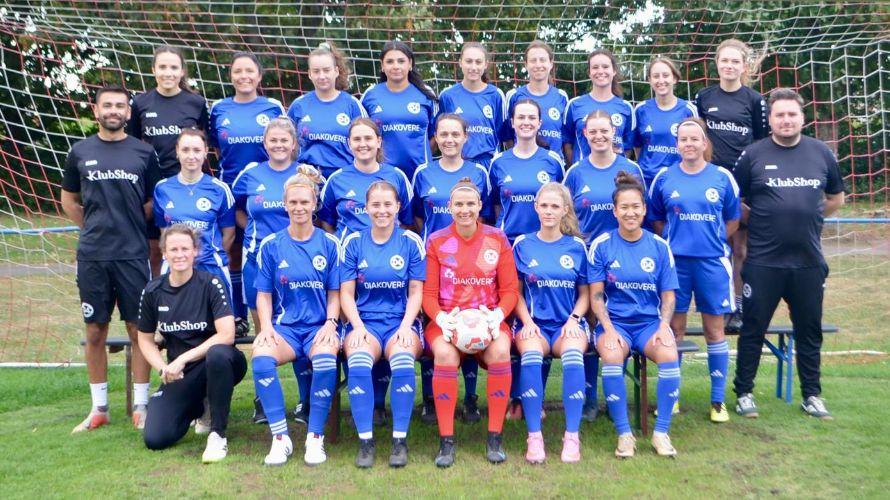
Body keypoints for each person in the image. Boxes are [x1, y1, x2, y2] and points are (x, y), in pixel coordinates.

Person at [731, 88, 845, 420]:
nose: (786, 120)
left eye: (791, 114)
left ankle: (812, 395)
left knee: (809, 331)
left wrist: (811, 215)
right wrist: (761, 219)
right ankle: (744, 393)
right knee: (753, 329)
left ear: (802, 118)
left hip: (808, 262)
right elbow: (734, 200)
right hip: (763, 263)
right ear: (769, 119)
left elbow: (836, 198)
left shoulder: (820, 153)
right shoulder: (753, 155)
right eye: (779, 114)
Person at [61, 84, 161, 432]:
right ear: (97, 110)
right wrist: (93, 226)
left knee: (138, 329)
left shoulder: (143, 152)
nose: (114, 111)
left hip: (133, 254)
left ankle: (141, 407)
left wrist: (128, 221)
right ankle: (99, 408)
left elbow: (153, 201)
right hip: (93, 256)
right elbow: (69, 200)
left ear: (129, 112)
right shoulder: (79, 151)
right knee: (94, 329)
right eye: (108, 105)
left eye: (120, 105)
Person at [648, 118, 740, 422]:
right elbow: (657, 220)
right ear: (677, 145)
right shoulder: (664, 178)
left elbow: (733, 219)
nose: (688, 144)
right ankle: (671, 397)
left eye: (694, 139)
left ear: (704, 143)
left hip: (712, 264)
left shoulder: (722, 177)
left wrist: (712, 241)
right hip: (676, 266)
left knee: (714, 330)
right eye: (683, 139)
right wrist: (675, 242)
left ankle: (717, 401)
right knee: (674, 330)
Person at [423, 178, 518, 467]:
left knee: (500, 351)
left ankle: (495, 437)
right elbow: (428, 294)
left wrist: (497, 316)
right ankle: (446, 441)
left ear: (479, 206)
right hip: (448, 321)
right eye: (459, 204)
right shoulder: (437, 240)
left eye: (470, 204)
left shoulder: (497, 239)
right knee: (444, 355)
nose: (464, 210)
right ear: (449, 207)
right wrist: (442, 319)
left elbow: (510, 291)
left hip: (488, 320)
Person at [250, 166, 342, 466]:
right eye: (293, 202)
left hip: (319, 326)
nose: (299, 207)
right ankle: (280, 438)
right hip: (286, 329)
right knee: (261, 357)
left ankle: (315, 437)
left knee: (326, 359)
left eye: (305, 202)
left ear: (314, 204)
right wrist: (266, 327)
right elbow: (263, 294)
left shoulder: (329, 244)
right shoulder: (271, 245)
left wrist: (331, 323)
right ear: (285, 203)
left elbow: (335, 292)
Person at [588, 172, 681, 458]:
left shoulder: (660, 246)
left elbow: (669, 296)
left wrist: (664, 326)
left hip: (649, 324)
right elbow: (596, 296)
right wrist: (608, 329)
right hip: (614, 323)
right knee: (612, 355)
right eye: (624, 207)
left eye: (636, 207)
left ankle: (661, 433)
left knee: (669, 353)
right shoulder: (602, 244)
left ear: (644, 209)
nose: (630, 213)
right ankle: (624, 434)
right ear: (615, 211)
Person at [137, 224, 247, 463]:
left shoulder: (211, 283)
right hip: (181, 373)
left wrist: (182, 358)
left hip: (220, 363)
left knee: (218, 353)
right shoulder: (153, 290)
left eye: (185, 249)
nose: (180, 255)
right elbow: (144, 339)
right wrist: (162, 368)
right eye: (173, 249)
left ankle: (217, 434)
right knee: (156, 438)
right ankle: (197, 406)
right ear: (164, 253)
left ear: (195, 251)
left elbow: (227, 335)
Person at [340, 181, 426, 468]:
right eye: (375, 205)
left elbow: (416, 291)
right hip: (365, 322)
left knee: (402, 360)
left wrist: (406, 326)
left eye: (388, 204)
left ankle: (399, 440)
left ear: (398, 206)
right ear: (366, 208)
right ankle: (366, 441)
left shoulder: (411, 241)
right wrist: (358, 327)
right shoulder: (353, 242)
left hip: (399, 322)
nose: (382, 210)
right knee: (359, 362)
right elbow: (346, 294)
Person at [411, 113, 491, 424]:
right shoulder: (423, 173)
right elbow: (418, 217)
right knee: (433, 322)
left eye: (455, 134)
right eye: (443, 134)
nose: (449, 139)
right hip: (435, 260)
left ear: (465, 137)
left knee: (471, 321)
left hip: (471, 261)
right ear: (435, 137)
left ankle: (470, 397)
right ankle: (431, 399)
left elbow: (487, 213)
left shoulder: (479, 172)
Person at [230, 117, 305, 424]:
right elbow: (235, 208)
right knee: (264, 331)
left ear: (293, 144)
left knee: (301, 325)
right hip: (258, 262)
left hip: (298, 263)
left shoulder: (304, 174)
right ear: (264, 143)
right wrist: (252, 229)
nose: (278, 145)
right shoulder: (251, 174)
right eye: (273, 140)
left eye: (284, 140)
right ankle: (263, 401)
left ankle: (305, 400)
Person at [694, 39, 769, 332]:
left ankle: (739, 307)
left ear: (744, 66)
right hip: (712, 184)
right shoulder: (704, 97)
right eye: (724, 60)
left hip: (744, 185)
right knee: (717, 248)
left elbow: (762, 144)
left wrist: (754, 186)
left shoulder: (755, 100)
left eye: (735, 61)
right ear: (716, 63)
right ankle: (719, 306)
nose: (729, 66)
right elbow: (698, 138)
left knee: (740, 249)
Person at [512, 182, 590, 463]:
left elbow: (586, 294)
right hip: (534, 323)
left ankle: (572, 436)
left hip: (566, 324)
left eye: (555, 206)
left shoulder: (577, 247)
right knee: (531, 355)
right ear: (536, 207)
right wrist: (526, 321)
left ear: (565, 210)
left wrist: (574, 319)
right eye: (544, 205)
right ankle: (534, 436)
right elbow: (515, 293)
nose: (548, 211)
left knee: (573, 355)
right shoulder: (522, 244)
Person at [209, 51, 285, 331]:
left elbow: (284, 140)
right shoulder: (219, 108)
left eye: (249, 71)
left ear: (259, 75)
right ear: (230, 76)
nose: (244, 76)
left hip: (267, 190)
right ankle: (237, 315)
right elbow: (217, 149)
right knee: (233, 250)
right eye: (238, 71)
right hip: (233, 190)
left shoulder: (272, 107)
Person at [128, 45, 210, 276]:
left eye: (173, 67)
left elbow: (205, 143)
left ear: (182, 71)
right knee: (157, 249)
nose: (168, 73)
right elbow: (132, 145)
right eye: (162, 67)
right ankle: (158, 292)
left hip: (187, 185)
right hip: (153, 187)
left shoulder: (196, 103)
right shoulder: (140, 103)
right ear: (153, 69)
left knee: (190, 246)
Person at [153, 129, 235, 298]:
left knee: (218, 315)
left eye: (197, 150)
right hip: (175, 268)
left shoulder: (220, 189)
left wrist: (204, 256)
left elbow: (229, 234)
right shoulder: (162, 189)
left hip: (211, 267)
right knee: (176, 315)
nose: (191, 156)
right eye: (185, 150)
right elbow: (164, 232)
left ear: (205, 152)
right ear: (177, 152)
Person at [319, 118, 413, 241]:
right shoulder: (336, 180)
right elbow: (326, 222)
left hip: (390, 250)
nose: (363, 144)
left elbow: (407, 221)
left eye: (368, 138)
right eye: (357, 139)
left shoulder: (397, 176)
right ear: (349, 144)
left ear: (378, 141)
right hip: (350, 252)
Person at [490, 99, 566, 243]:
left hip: (544, 242)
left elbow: (562, 202)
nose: (526, 122)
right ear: (512, 122)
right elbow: (496, 204)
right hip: (508, 242)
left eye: (531, 118)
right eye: (521, 117)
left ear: (539, 123)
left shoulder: (553, 161)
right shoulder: (498, 162)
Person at [287, 42, 366, 180]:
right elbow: (286, 143)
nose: (322, 76)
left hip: (345, 178)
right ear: (309, 74)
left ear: (336, 71)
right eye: (316, 71)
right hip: (307, 179)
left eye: (326, 70)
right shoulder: (299, 105)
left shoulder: (352, 105)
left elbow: (366, 141)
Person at [361, 40, 438, 180]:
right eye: (390, 62)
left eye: (401, 61)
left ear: (410, 64)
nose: (396, 66)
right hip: (382, 174)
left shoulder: (426, 94)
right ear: (382, 65)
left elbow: (436, 135)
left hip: (420, 173)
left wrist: (422, 156)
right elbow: (360, 134)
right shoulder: (370, 95)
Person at [437, 42, 507, 167]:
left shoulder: (496, 95)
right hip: (457, 164)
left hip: (488, 164)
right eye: (469, 61)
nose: (473, 67)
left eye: (478, 62)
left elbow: (503, 135)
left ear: (485, 64)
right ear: (460, 63)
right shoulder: (447, 96)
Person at [633, 56, 698, 186]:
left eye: (666, 75)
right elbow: (637, 145)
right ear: (649, 80)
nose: (661, 80)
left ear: (674, 78)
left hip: (678, 179)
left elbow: (698, 144)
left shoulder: (688, 110)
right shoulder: (641, 109)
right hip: (646, 179)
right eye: (656, 76)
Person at [563, 49, 635, 164]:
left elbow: (628, 147)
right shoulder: (574, 105)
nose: (600, 71)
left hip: (616, 173)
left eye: (605, 67)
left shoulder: (626, 107)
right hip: (583, 172)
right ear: (589, 72)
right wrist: (577, 166)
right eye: (595, 67)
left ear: (614, 71)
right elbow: (567, 143)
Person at [504, 40, 569, 157]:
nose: (538, 65)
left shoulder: (561, 96)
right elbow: (507, 136)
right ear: (526, 64)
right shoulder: (513, 95)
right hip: (522, 163)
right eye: (533, 60)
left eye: (542, 60)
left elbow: (566, 137)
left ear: (551, 63)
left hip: (554, 164)